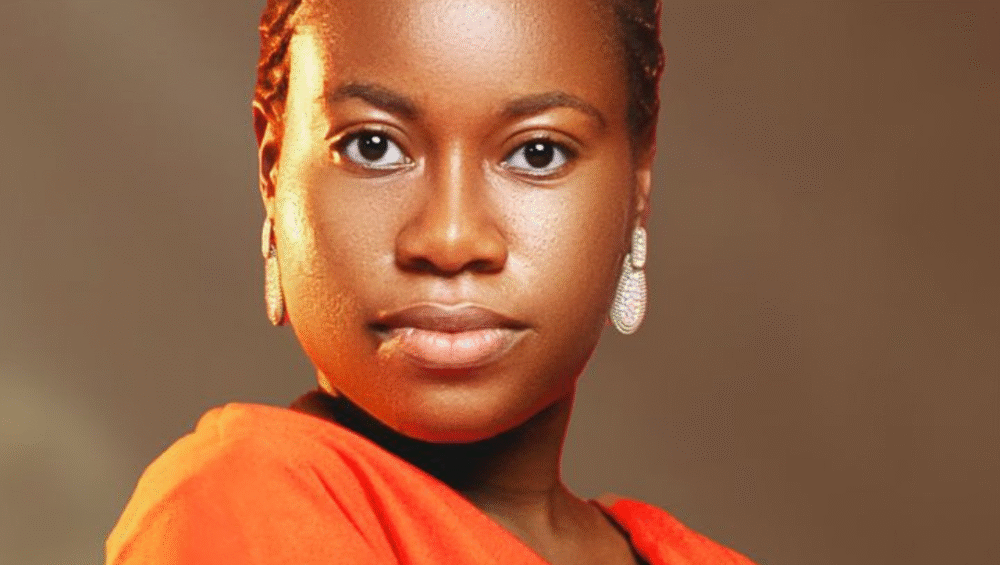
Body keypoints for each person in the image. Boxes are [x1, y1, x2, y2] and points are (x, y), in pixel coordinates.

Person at [106, 1, 759, 563]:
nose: (449, 241)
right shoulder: (241, 504)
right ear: (272, 173)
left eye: (537, 152)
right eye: (373, 146)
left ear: (637, 185)